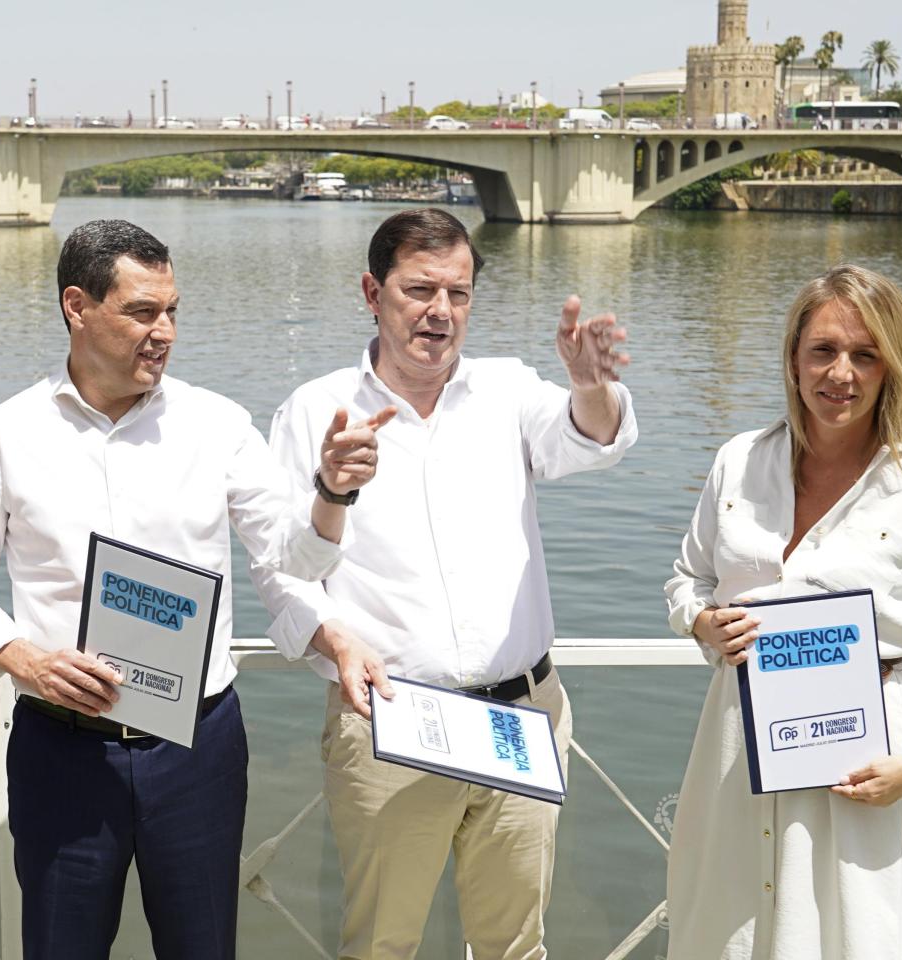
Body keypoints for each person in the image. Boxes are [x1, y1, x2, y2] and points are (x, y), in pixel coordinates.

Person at [0, 218, 390, 960]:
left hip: (198, 749)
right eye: (142, 312)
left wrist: (333, 491)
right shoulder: (1, 434)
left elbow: (292, 558)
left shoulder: (219, 424)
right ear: (77, 306)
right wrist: (26, 661)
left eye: (172, 311)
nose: (164, 331)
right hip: (60, 747)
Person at [250, 207, 638, 960]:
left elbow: (587, 443)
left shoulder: (508, 390)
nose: (440, 312)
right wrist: (329, 622)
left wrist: (589, 387)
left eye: (458, 294)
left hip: (520, 718)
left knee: (516, 945)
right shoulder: (314, 410)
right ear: (372, 291)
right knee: (381, 946)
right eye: (420, 290)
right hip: (392, 722)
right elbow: (280, 568)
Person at [662, 264, 902, 960]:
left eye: (864, 354)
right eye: (823, 349)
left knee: (850, 934)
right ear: (793, 357)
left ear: (892, 368)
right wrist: (702, 623)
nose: (840, 373)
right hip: (737, 746)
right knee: (724, 927)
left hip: (862, 759)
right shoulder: (737, 463)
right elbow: (687, 580)